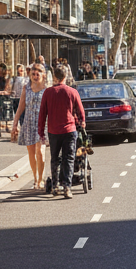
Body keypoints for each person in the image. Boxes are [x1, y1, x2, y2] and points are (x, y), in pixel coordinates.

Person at [38, 63, 85, 198]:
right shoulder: (72, 92)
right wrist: (82, 122)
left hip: (53, 131)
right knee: (68, 159)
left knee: (55, 159)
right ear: (65, 77)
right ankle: (67, 187)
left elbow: (42, 114)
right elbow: (81, 112)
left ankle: (55, 186)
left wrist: (41, 132)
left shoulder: (48, 92)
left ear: (54, 77)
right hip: (69, 130)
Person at [11, 62, 49, 189]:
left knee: (40, 151)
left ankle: (41, 178)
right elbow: (21, 106)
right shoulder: (26, 88)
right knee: (31, 153)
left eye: (38, 73)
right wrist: (15, 123)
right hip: (28, 122)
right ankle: (35, 178)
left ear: (43, 75)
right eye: (33, 73)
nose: (35, 75)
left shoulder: (47, 88)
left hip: (42, 123)